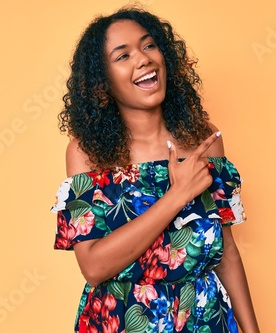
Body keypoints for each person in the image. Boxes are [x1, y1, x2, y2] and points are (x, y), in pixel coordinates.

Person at [51, 7, 260, 333]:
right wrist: (177, 195)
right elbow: (93, 266)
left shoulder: (203, 138)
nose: (143, 59)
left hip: (205, 320)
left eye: (149, 46)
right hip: (122, 322)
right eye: (123, 56)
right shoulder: (86, 154)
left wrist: (252, 330)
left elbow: (226, 252)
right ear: (101, 84)